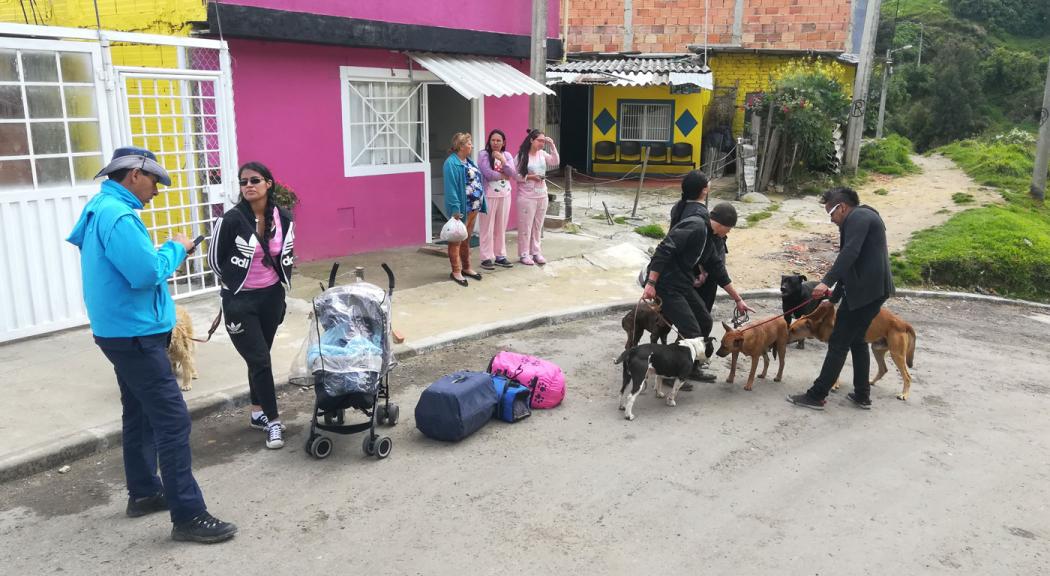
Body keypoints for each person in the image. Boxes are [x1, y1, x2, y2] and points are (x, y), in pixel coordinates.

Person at [66, 146, 237, 544]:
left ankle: (144, 492)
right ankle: (189, 515)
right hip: (134, 335)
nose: (158, 190)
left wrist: (161, 253)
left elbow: (118, 263)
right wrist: (175, 248)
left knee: (139, 413)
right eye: (155, 181)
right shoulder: (119, 215)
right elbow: (144, 274)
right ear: (134, 175)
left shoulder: (100, 208)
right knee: (172, 421)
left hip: (120, 331)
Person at [208, 162, 295, 449]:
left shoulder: (283, 216)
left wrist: (282, 286)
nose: (248, 185)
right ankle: (273, 421)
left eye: (254, 180)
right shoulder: (231, 220)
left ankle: (257, 411)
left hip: (271, 298)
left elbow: (286, 252)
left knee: (259, 357)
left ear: (269, 183)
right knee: (259, 359)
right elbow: (214, 261)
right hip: (240, 301)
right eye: (243, 181)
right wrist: (233, 286)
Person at [787, 187, 895, 411]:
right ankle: (862, 395)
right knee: (857, 340)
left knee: (838, 343)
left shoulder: (858, 217)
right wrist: (833, 298)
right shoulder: (861, 217)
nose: (832, 220)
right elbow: (852, 262)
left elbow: (849, 254)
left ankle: (816, 395)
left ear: (842, 207)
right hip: (870, 291)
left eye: (831, 214)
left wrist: (826, 281)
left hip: (866, 292)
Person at [443, 132, 487, 286]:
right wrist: (455, 209)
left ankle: (466, 267)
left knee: (466, 239)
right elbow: (451, 188)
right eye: (469, 143)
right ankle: (456, 270)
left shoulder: (468, 161)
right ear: (460, 146)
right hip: (461, 208)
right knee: (456, 239)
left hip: (473, 207)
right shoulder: (451, 163)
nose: (472, 146)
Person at [514, 129, 560, 266]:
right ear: (531, 140)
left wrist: (552, 146)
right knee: (525, 226)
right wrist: (531, 177)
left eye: (543, 141)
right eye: (539, 140)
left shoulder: (542, 154)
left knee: (537, 226)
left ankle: (536, 252)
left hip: (542, 194)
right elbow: (515, 176)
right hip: (527, 196)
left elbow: (555, 161)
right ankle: (524, 253)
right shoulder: (522, 156)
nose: (541, 143)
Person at [477, 129, 517, 270]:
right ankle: (486, 257)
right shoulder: (483, 154)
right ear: (489, 141)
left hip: (505, 194)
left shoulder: (507, 155)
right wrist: (503, 176)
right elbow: (487, 173)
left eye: (498, 140)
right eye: (493, 140)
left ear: (503, 142)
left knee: (501, 227)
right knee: (487, 227)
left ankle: (500, 255)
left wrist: (503, 160)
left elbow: (513, 173)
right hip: (489, 195)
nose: (495, 143)